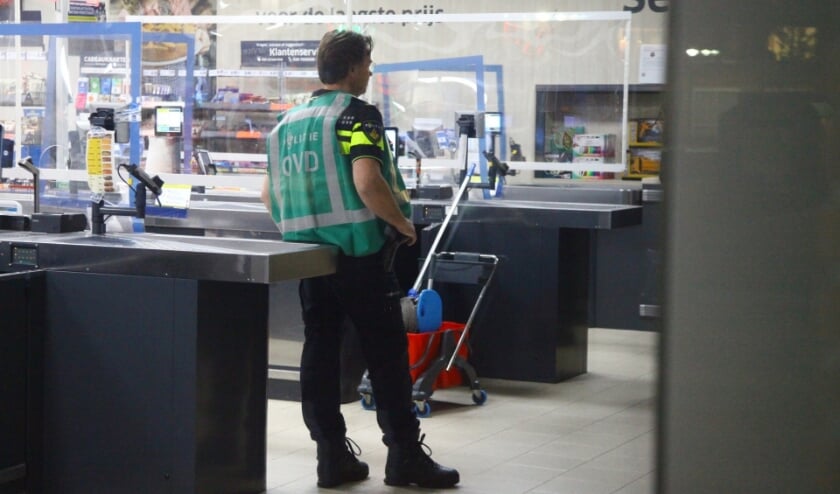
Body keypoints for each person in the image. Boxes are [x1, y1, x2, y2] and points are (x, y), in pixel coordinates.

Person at [261, 29, 460, 489]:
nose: (370, 71)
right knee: (386, 353)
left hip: (310, 259)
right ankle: (405, 456)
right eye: (367, 63)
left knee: (321, 351)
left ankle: (331, 457)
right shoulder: (355, 115)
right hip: (360, 256)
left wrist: (304, 233)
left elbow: (270, 195)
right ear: (351, 67)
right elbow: (368, 181)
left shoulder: (286, 122)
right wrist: (403, 224)